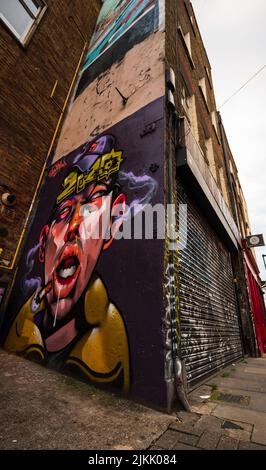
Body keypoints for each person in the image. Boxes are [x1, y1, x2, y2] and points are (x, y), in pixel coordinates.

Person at [4, 135, 130, 392]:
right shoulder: (19, 327)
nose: (73, 227)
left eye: (90, 210)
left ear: (112, 225)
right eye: (63, 213)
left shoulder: (109, 346)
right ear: (42, 243)